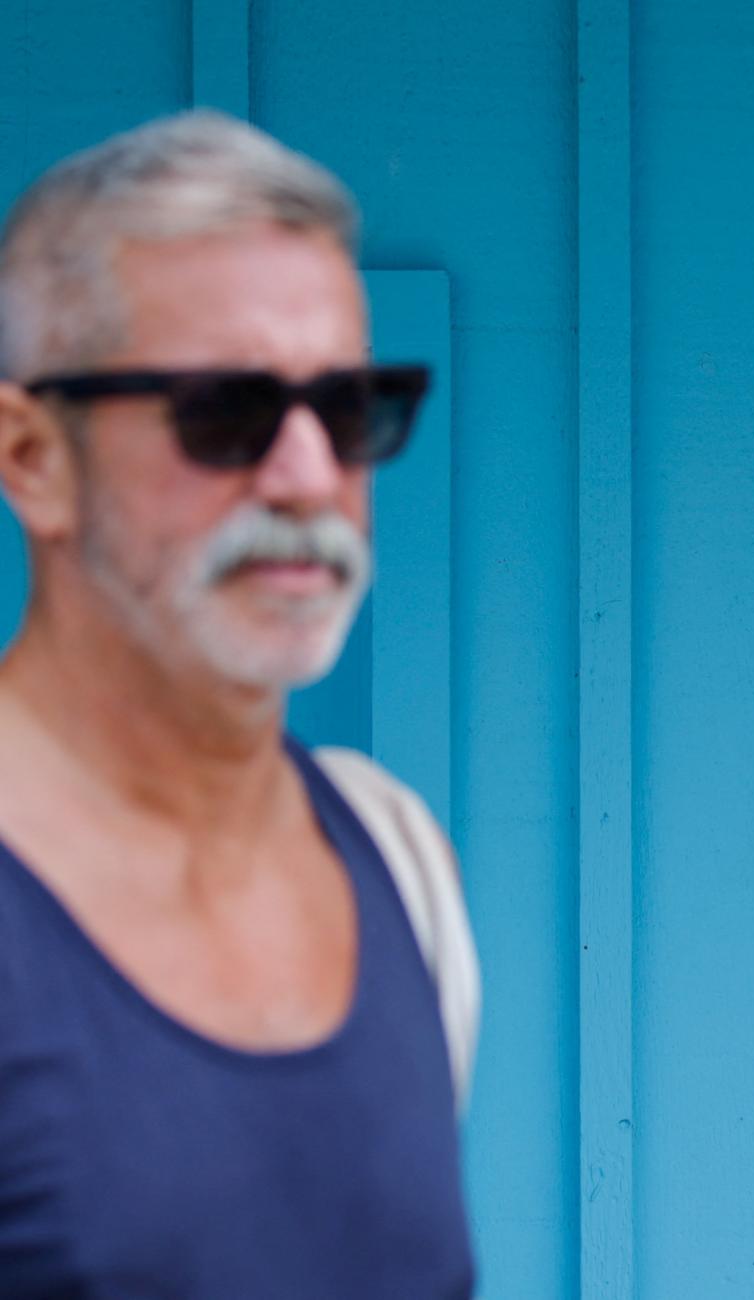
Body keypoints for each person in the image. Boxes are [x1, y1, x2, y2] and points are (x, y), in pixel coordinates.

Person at [0, 112, 477, 1297]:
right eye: (225, 411)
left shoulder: (399, 864)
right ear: (31, 460)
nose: (309, 475)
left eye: (351, 410)